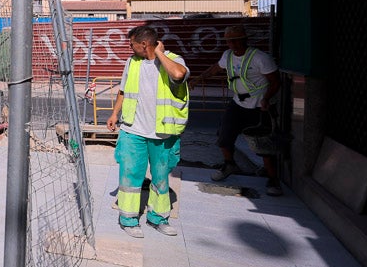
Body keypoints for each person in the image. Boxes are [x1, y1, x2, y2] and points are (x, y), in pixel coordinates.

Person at [106, 25, 189, 238]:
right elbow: (123, 91)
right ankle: (128, 219)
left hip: (162, 132)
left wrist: (159, 53)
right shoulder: (132, 63)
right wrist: (115, 113)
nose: (129, 47)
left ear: (144, 44)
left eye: (132, 43)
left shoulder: (174, 60)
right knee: (130, 176)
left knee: (161, 177)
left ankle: (158, 218)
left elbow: (179, 75)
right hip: (133, 130)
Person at [196, 25, 282, 196]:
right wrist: (198, 79)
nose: (233, 44)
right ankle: (229, 164)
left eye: (236, 40)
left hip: (260, 107)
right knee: (224, 136)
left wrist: (266, 98)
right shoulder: (227, 56)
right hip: (238, 103)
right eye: (229, 41)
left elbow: (275, 81)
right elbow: (215, 68)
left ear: (244, 39)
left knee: (263, 143)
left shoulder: (260, 58)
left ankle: (273, 179)